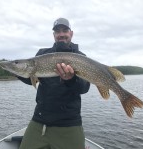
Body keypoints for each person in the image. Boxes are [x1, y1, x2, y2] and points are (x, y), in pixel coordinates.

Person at [19, 18, 90, 149]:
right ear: (54, 35)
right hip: (39, 122)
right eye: (57, 31)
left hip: (69, 125)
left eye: (65, 30)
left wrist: (71, 79)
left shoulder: (81, 57)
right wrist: (16, 70)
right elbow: (31, 79)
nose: (61, 34)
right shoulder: (42, 54)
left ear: (71, 33)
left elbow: (84, 87)